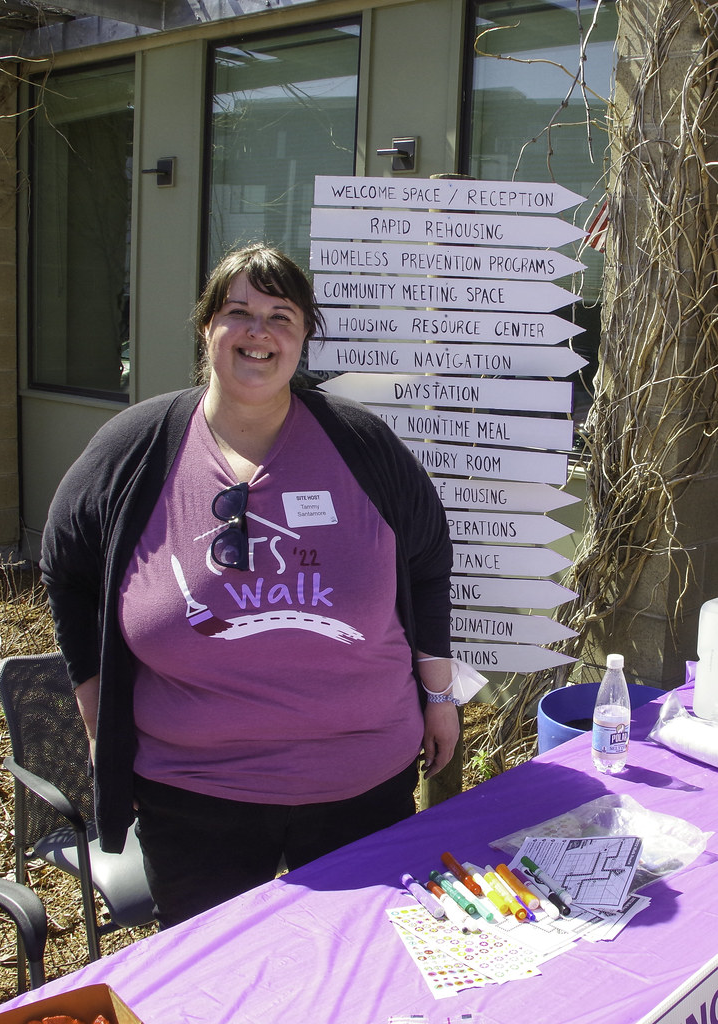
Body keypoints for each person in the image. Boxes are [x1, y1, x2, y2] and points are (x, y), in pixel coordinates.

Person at [41, 243, 459, 928]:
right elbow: (67, 564)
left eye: (280, 316)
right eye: (238, 312)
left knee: (362, 975)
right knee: (218, 988)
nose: (258, 333)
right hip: (196, 797)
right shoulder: (136, 449)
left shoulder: (363, 446)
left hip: (362, 784)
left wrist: (438, 698)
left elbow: (426, 565)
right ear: (206, 327)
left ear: (303, 336)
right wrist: (96, 710)